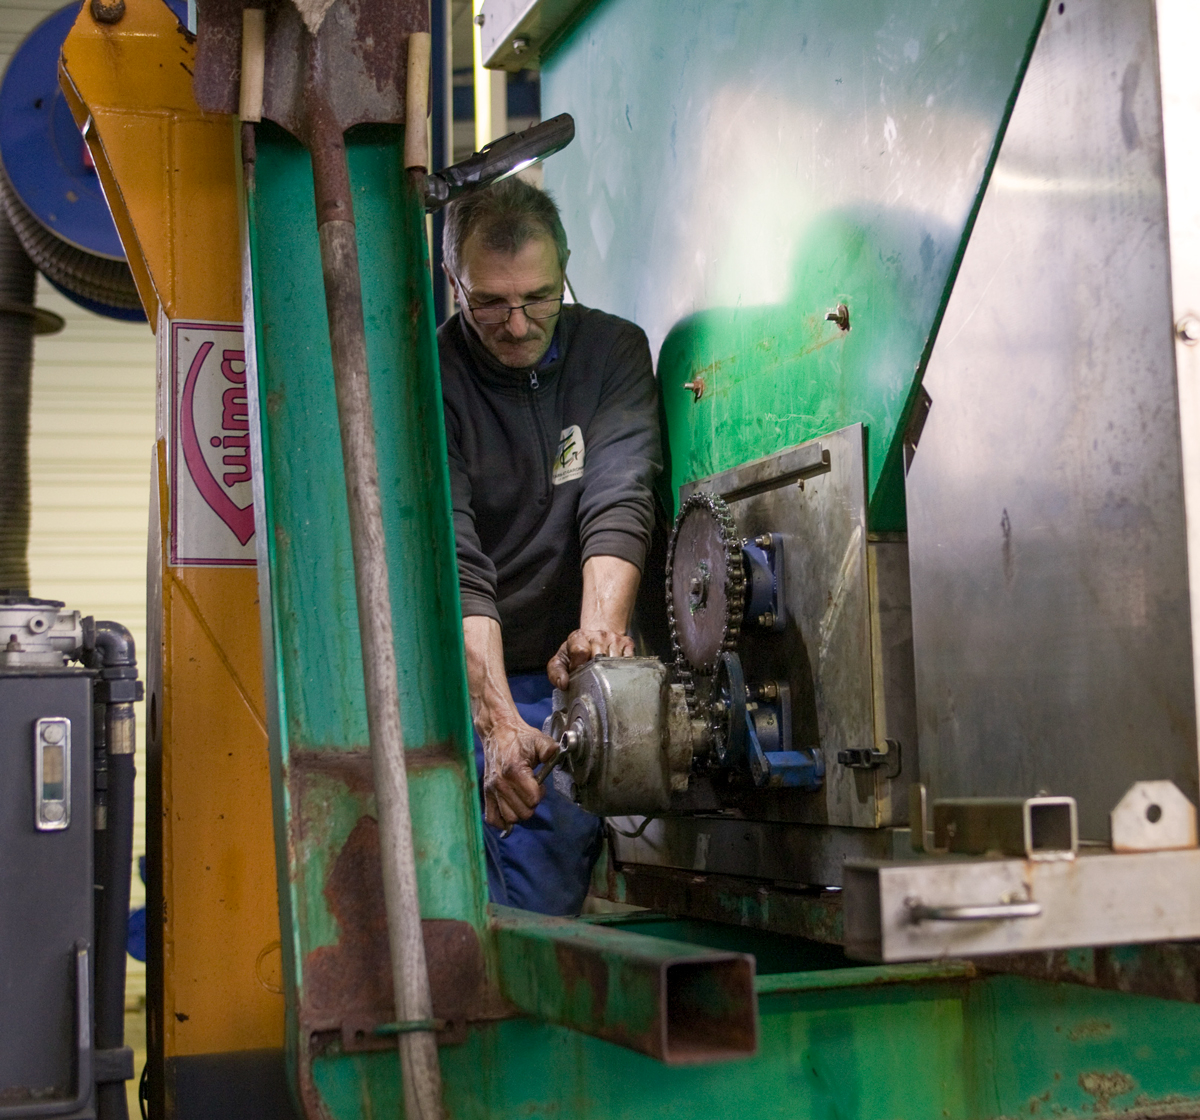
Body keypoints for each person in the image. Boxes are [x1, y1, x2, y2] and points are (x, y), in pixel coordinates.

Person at [438, 177, 661, 916]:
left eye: (538, 296)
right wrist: (499, 721)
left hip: (557, 673)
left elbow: (619, 493)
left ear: (565, 263)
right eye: (490, 303)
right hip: (462, 671)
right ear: (453, 283)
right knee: (449, 886)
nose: (516, 322)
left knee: (544, 885)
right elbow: (457, 559)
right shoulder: (428, 378)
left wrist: (599, 641)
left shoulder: (613, 351)